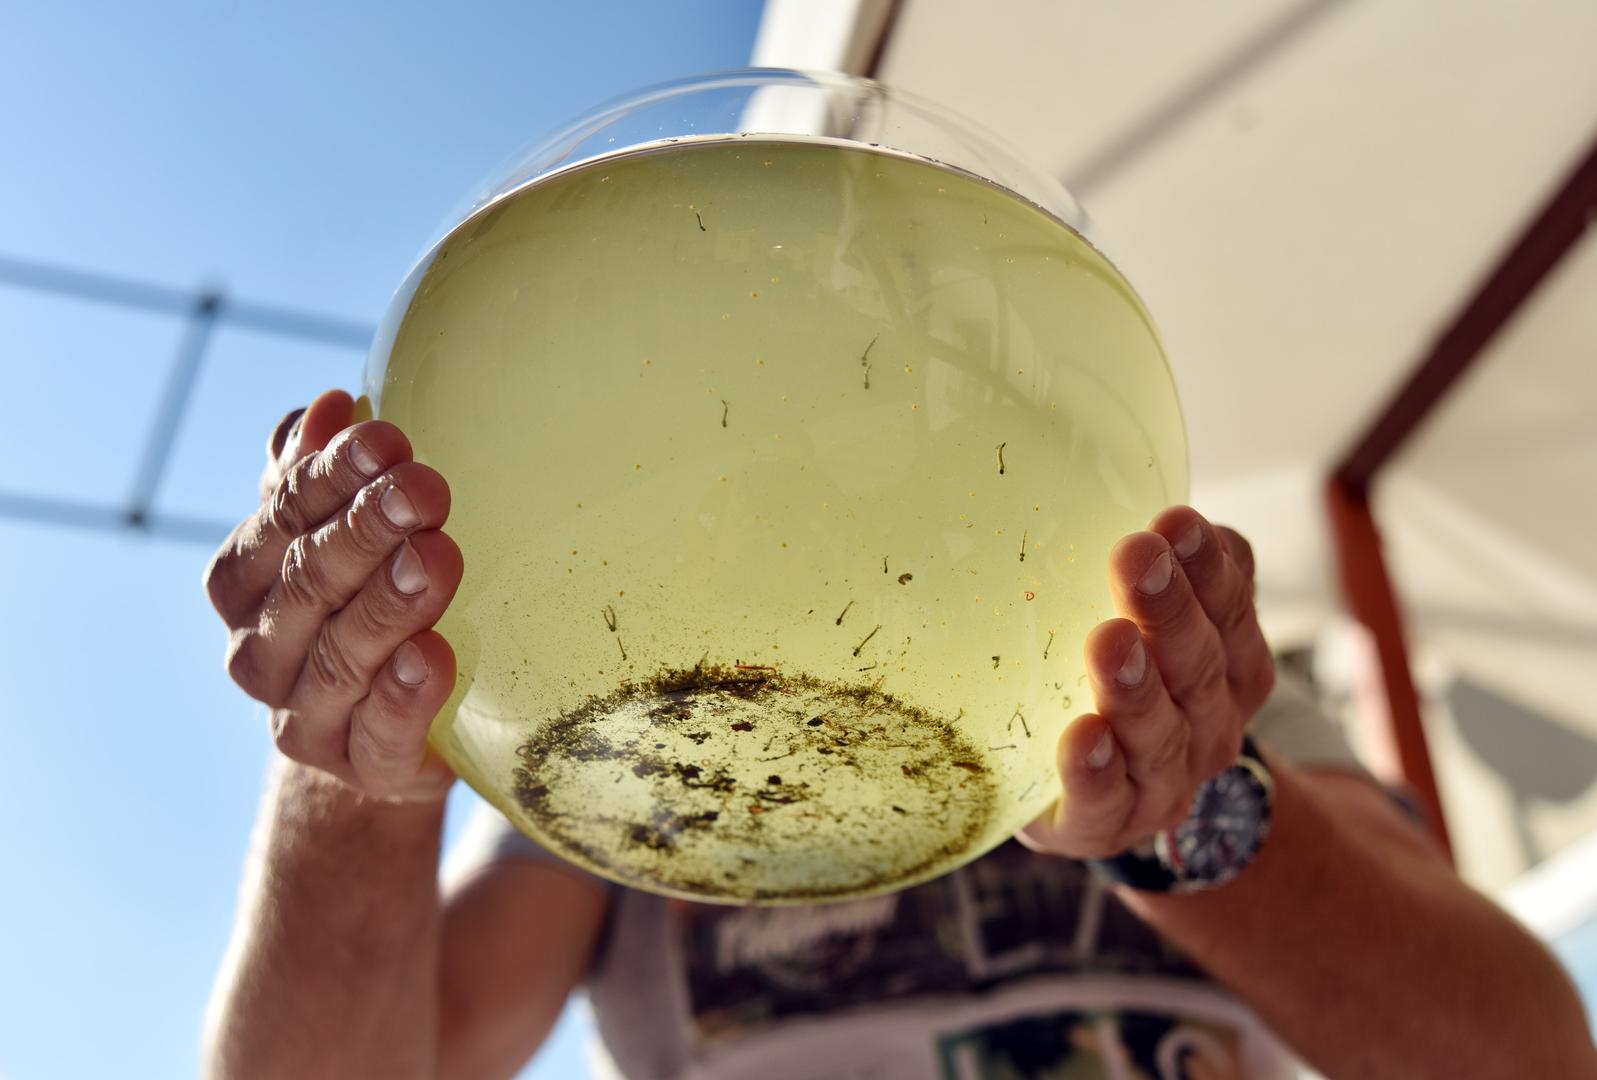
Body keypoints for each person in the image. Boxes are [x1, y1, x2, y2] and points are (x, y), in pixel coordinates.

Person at [201, 389, 1595, 1079]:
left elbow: (1521, 1054)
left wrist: (1178, 807)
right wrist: (360, 766)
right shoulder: (632, 734)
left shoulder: (1174, 675)